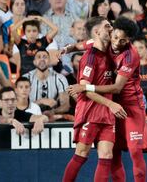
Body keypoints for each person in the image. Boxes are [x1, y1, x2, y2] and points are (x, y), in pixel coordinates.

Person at [67, 17, 147, 182]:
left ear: (129, 40)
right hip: (105, 106)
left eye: (123, 40)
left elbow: (117, 87)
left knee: (130, 151)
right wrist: (68, 48)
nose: (117, 42)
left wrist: (86, 88)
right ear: (110, 33)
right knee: (105, 154)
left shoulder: (130, 55)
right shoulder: (96, 51)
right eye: (115, 37)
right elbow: (85, 44)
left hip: (129, 105)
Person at [62, 16, 127, 182]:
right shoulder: (90, 57)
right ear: (97, 32)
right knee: (82, 153)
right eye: (107, 26)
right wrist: (111, 103)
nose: (111, 28)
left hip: (107, 113)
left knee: (106, 155)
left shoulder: (110, 50)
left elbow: (83, 43)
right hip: (90, 111)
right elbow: (85, 90)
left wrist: (70, 48)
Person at [22, 49, 70, 120]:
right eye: (39, 57)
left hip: (52, 118)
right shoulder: (25, 78)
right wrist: (39, 102)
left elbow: (66, 105)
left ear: (49, 61)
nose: (42, 59)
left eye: (45, 57)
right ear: (34, 62)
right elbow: (20, 105)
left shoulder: (60, 78)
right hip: (30, 117)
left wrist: (52, 112)